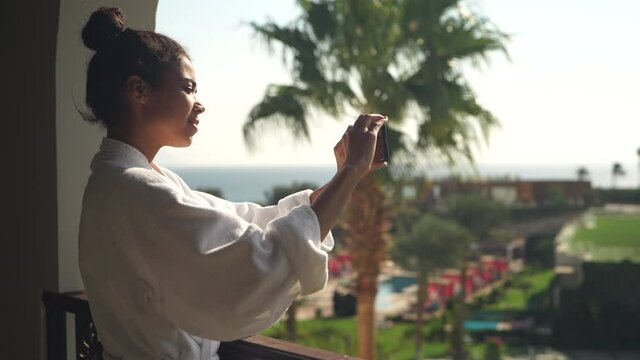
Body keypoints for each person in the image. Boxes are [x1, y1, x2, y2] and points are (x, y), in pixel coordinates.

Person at [78, 7, 387, 360]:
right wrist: (350, 173)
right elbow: (255, 262)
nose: (200, 105)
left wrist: (344, 176)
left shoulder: (126, 182)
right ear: (139, 91)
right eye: (188, 88)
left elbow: (246, 224)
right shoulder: (134, 192)